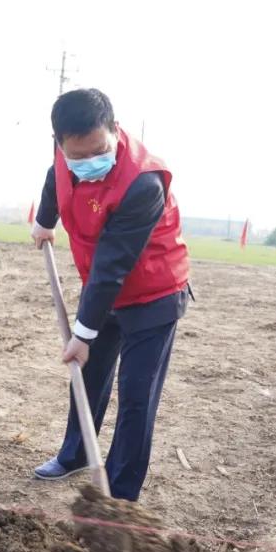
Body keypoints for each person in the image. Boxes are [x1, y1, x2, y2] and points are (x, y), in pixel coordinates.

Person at [30, 88, 190, 502]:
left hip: (153, 294)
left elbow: (112, 266)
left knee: (136, 395)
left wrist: (82, 334)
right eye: (77, 156)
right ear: (60, 144)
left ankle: (119, 496)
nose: (88, 163)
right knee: (89, 375)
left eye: (98, 151)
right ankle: (76, 454)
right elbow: (55, 180)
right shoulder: (66, 161)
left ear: (115, 130)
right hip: (103, 288)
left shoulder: (144, 181)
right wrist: (44, 221)